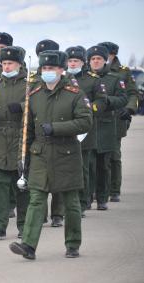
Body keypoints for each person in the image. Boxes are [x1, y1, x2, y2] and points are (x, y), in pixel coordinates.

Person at [9, 50, 92, 260]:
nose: (47, 72)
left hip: (67, 154)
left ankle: (73, 244)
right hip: (40, 154)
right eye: (44, 68)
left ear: (61, 70)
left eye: (51, 69)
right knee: (36, 200)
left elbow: (85, 122)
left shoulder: (75, 94)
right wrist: (22, 158)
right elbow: (26, 130)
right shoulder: (34, 96)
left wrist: (55, 128)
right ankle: (28, 245)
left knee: (71, 202)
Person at [0, 46, 30, 240]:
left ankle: (23, 227)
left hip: (23, 138)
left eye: (10, 63)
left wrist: (20, 107)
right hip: (0, 142)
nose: (6, 66)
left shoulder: (31, 85)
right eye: (4, 63)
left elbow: (38, 107)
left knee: (22, 187)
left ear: (19, 64)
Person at [65, 46, 108, 216]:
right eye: (70, 60)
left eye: (76, 61)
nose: (73, 63)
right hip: (65, 128)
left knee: (83, 168)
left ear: (83, 62)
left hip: (85, 130)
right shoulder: (62, 78)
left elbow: (102, 101)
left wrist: (88, 111)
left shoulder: (93, 80)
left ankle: (83, 202)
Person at [87, 45, 128, 210]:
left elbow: (123, 99)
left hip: (106, 126)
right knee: (88, 165)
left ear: (105, 61)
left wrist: (107, 101)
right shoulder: (84, 79)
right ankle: (87, 198)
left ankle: (103, 198)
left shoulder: (114, 78)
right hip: (88, 126)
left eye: (99, 59)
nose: (96, 62)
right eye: (93, 59)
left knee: (104, 164)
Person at [98, 42, 139, 202]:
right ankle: (98, 189)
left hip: (116, 120)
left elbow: (133, 94)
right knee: (97, 156)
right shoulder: (93, 71)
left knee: (114, 156)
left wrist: (128, 109)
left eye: (105, 54)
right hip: (97, 119)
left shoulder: (123, 72)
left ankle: (114, 189)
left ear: (113, 55)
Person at [31, 39, 65, 227]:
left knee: (57, 178)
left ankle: (58, 213)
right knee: (39, 181)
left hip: (60, 135)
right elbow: (29, 103)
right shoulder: (35, 79)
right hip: (39, 136)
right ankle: (40, 213)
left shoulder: (67, 81)